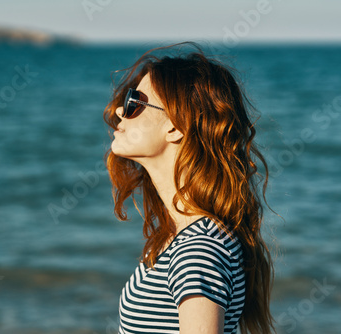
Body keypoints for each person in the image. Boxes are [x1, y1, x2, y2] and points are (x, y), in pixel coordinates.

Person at [103, 42, 275, 334]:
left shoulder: (199, 249)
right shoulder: (188, 239)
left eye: (135, 101)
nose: (121, 109)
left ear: (175, 126)